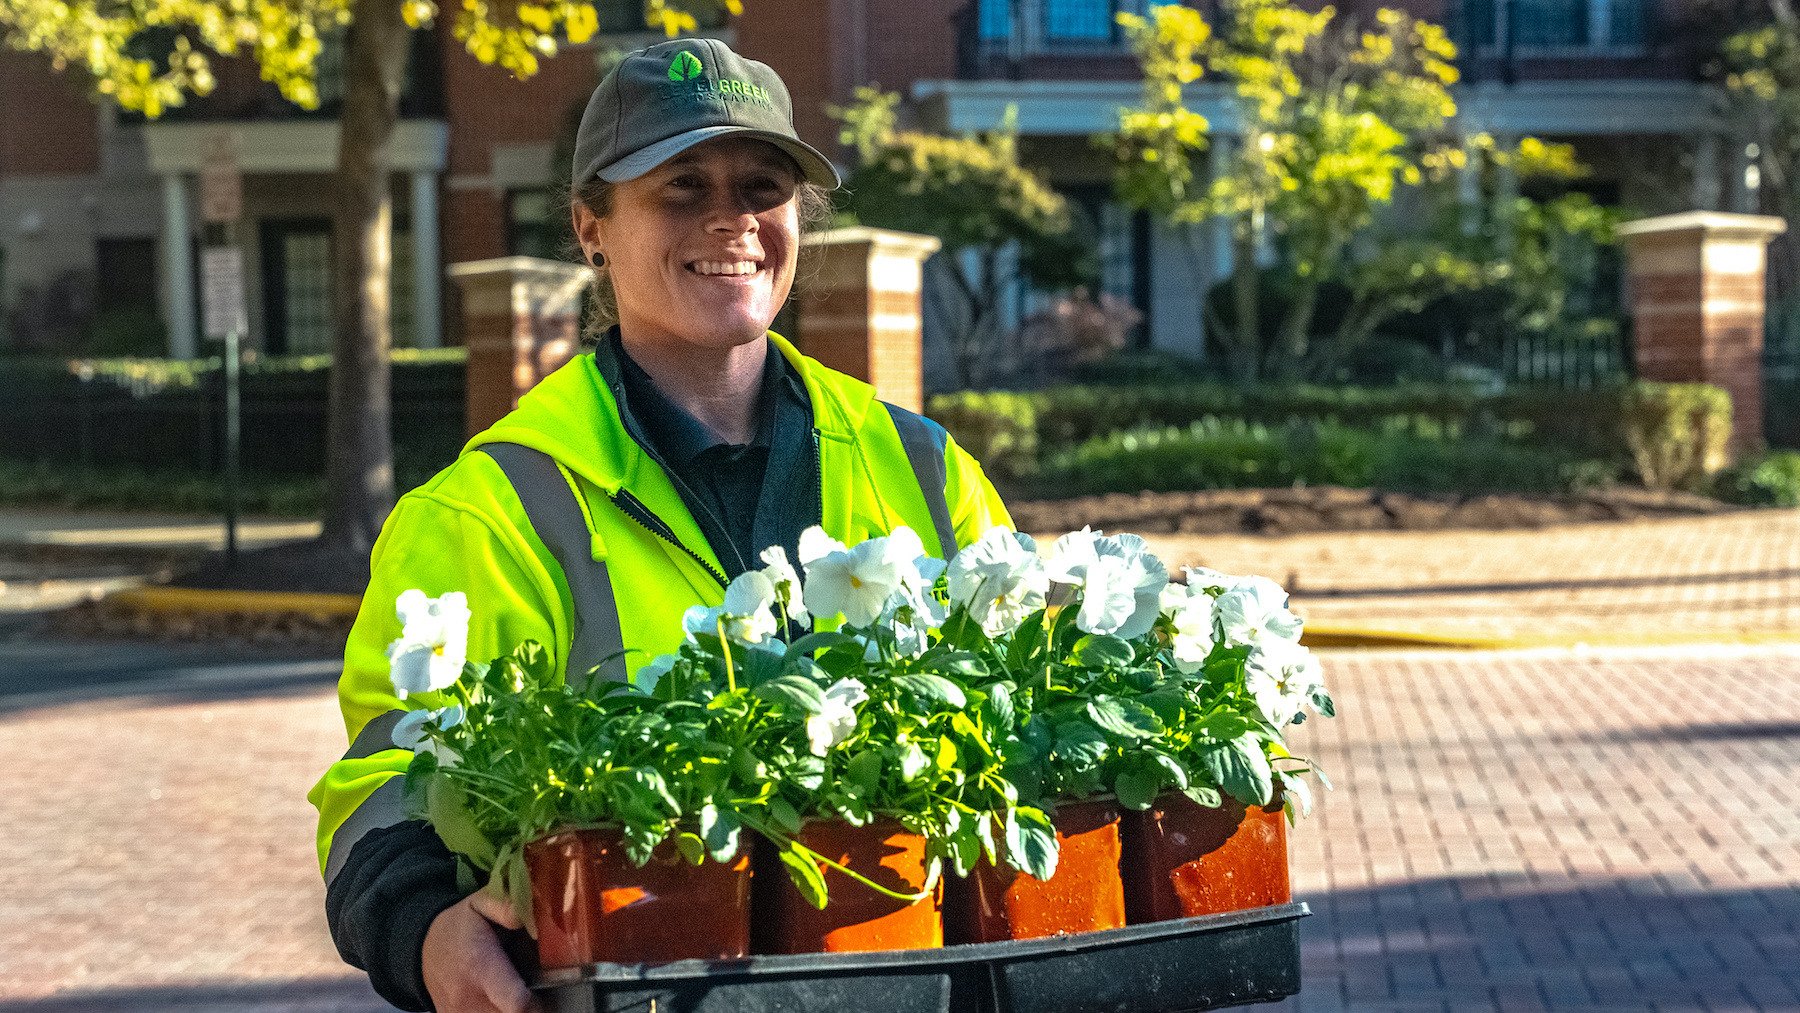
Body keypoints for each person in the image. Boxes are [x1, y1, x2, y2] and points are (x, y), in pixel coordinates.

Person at [307, 38, 1012, 1013]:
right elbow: (388, 781)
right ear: (590, 225)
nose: (733, 220)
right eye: (682, 187)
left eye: (762, 186)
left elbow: (1025, 741)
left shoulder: (929, 470)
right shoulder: (490, 505)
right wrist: (426, 925)